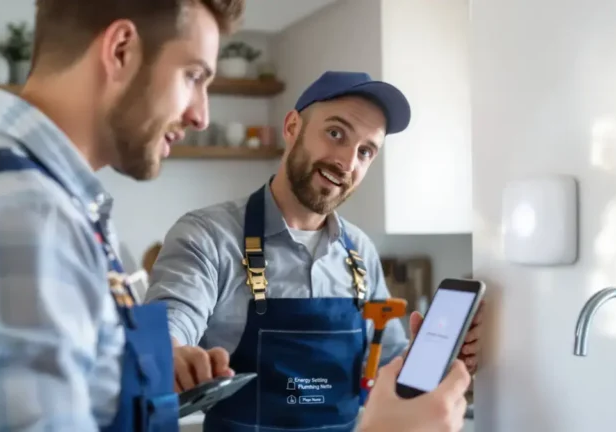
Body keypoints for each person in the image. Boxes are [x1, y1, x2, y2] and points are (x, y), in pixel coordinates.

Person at [0, 0, 243, 430]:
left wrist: (127, 371)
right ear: (121, 49)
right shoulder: (21, 220)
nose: (201, 115)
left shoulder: (48, 204)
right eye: (193, 76)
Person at [146, 70, 483, 431]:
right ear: (292, 127)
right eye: (336, 133)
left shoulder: (360, 253)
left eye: (365, 151)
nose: (346, 162)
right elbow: (169, 324)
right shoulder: (208, 236)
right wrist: (170, 353)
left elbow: (389, 367)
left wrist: (438, 361)